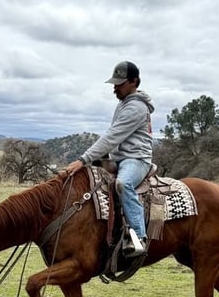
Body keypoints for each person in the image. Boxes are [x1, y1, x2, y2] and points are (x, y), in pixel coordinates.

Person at [64, 61, 155, 257]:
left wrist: (83, 159)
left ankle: (139, 237)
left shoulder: (136, 108)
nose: (115, 87)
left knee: (123, 183)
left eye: (120, 83)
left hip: (136, 159)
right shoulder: (123, 104)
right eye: (114, 83)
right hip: (119, 158)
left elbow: (112, 136)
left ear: (134, 82)